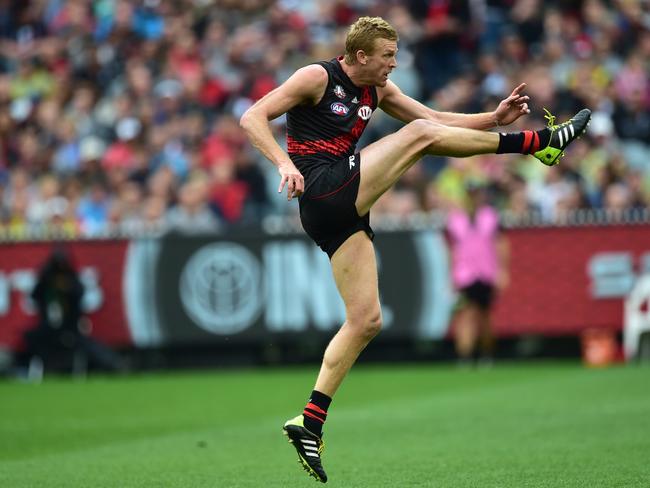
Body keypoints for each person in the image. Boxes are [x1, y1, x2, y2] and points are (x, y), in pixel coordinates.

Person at [239, 16, 590, 483]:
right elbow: (251, 117)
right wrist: (284, 164)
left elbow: (435, 119)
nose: (395, 63)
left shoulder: (379, 90)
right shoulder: (317, 77)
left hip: (345, 205)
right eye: (387, 56)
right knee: (417, 139)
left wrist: (491, 118)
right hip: (322, 189)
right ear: (361, 56)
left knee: (366, 320)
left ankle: (309, 421)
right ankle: (541, 144)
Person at [446, 182, 509, 366]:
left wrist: (502, 270)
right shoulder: (455, 218)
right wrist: (451, 274)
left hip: (486, 271)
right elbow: (452, 249)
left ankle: (486, 353)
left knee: (485, 315)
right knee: (466, 313)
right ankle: (465, 356)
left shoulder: (490, 216)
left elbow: (501, 244)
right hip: (465, 273)